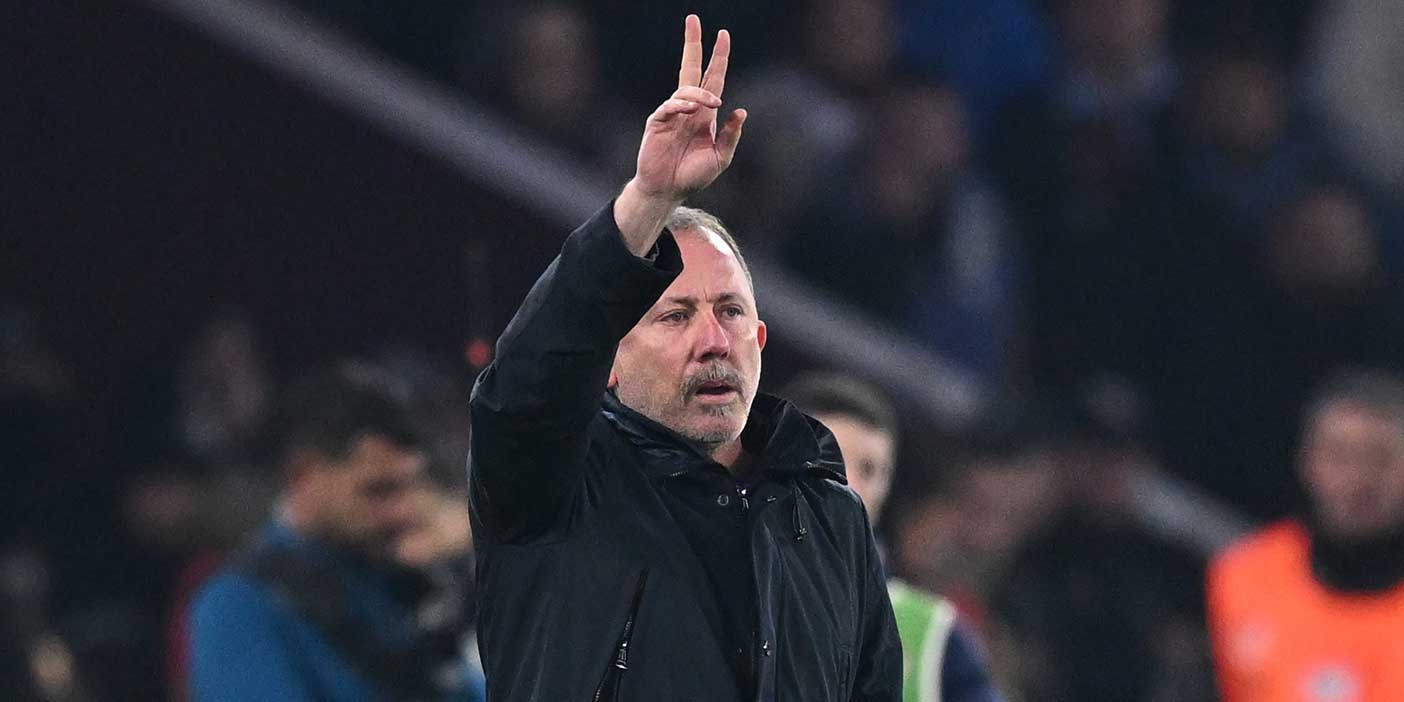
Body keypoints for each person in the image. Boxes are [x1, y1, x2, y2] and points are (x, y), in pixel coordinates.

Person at [467, 14, 901, 701]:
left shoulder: (830, 519)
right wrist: (647, 199)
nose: (713, 340)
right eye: (675, 316)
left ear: (759, 341)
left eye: (730, 312)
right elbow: (529, 383)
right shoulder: (556, 483)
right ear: (607, 361)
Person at [188, 362, 485, 702]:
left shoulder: (416, 580)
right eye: (378, 490)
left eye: (412, 485)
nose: (405, 511)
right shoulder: (238, 608)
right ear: (303, 475)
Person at [781, 372, 1001, 702]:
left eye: (869, 470)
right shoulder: (712, 592)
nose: (850, 483)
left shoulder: (934, 644)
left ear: (886, 490)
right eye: (830, 456)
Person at [1208, 368, 1404, 701]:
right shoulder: (1242, 578)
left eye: (1380, 457)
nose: (1359, 478)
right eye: (1340, 456)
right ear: (1307, 462)